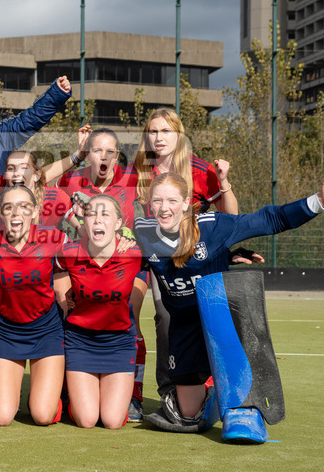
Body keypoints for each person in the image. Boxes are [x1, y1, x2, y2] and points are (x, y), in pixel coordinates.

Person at [134, 172, 324, 429]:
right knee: (189, 415)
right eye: (157, 201)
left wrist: (319, 200)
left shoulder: (213, 226)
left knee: (238, 410)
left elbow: (270, 219)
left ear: (187, 201)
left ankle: (243, 407)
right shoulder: (142, 233)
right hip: (184, 327)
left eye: (172, 200)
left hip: (221, 323)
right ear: (149, 203)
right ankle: (212, 399)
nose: (164, 208)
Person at [132, 107, 238, 403]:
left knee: (209, 319)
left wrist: (224, 181)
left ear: (178, 134)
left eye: (166, 131)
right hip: (160, 262)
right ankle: (169, 392)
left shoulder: (200, 169)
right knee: (165, 318)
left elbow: (230, 216)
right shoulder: (139, 170)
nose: (158, 137)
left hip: (200, 259)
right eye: (153, 131)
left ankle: (216, 386)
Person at [58, 127, 147, 420]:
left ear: (118, 155)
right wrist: (76, 153)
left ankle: (134, 394)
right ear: (89, 155)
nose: (104, 156)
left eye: (110, 151)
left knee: (129, 319)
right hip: (85, 264)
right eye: (97, 151)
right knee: (71, 313)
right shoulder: (73, 179)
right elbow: (41, 184)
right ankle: (68, 388)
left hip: (127, 265)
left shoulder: (133, 179)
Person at [0, 186, 67, 426]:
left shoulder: (54, 237)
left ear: (35, 211)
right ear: (0, 213)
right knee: (1, 417)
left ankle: (61, 398)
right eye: (9, 207)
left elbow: (88, 251)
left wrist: (124, 241)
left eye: (24, 207)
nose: (16, 214)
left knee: (43, 416)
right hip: (6, 331)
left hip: (46, 330)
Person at [53, 195, 144, 429]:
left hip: (119, 342)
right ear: (84, 220)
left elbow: (168, 262)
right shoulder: (69, 252)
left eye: (105, 215)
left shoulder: (134, 254)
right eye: (92, 214)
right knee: (87, 420)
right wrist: (63, 295)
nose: (97, 220)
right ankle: (67, 396)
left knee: (112, 421)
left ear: (118, 224)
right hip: (80, 342)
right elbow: (56, 269)